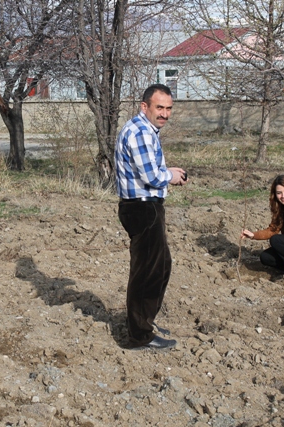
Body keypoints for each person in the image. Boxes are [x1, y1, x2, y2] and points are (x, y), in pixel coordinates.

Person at [115, 84, 188, 350]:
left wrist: (166, 171)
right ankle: (139, 336)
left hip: (144, 206)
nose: (165, 114)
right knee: (147, 273)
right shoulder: (141, 132)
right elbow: (151, 177)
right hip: (142, 208)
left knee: (160, 266)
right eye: (160, 107)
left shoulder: (143, 130)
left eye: (169, 108)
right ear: (144, 106)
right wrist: (171, 176)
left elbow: (145, 170)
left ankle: (145, 322)